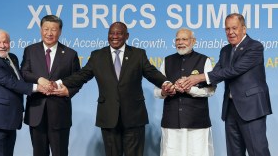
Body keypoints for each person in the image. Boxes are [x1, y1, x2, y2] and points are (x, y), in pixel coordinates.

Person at [52, 22, 175, 156]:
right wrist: (59, 83)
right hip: (108, 116)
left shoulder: (138, 54)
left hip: (134, 117)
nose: (114, 36)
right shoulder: (97, 56)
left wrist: (165, 82)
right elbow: (82, 75)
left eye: (119, 33)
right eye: (111, 33)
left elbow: (151, 72)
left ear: (127, 36)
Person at [181, 13, 272, 156]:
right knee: (234, 152)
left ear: (244, 29)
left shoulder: (255, 47)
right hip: (230, 109)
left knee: (258, 151)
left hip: (251, 108)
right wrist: (188, 83)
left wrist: (198, 77)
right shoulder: (225, 50)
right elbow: (216, 73)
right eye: (227, 29)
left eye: (234, 28)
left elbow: (234, 70)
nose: (230, 32)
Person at [20, 15, 81, 156]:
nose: (49, 33)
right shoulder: (30, 50)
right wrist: (38, 79)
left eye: (53, 29)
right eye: (46, 29)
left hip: (60, 113)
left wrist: (68, 92)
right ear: (41, 30)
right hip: (36, 111)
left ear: (60, 32)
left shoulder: (70, 54)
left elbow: (76, 79)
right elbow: (23, 72)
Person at [0, 29, 44, 156]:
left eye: (5, 42)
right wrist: (38, 87)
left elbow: (20, 79)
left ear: (10, 43)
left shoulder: (12, 57)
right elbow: (11, 83)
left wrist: (40, 79)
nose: (2, 46)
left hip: (10, 119)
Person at [154, 28, 216, 156]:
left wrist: (190, 89)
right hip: (171, 122)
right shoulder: (167, 61)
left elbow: (211, 91)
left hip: (197, 122)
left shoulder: (204, 60)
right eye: (177, 39)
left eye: (184, 39)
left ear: (193, 41)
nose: (180, 42)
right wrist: (166, 91)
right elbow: (156, 91)